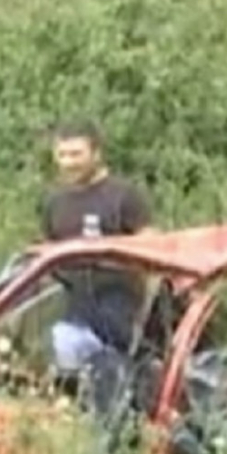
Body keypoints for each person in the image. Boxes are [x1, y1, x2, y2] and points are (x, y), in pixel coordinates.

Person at [33, 118, 155, 377]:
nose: (68, 162)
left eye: (76, 154)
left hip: (116, 311)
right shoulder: (54, 202)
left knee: (71, 345)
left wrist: (144, 317)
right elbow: (44, 259)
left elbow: (156, 254)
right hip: (69, 306)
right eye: (62, 155)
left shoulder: (123, 196)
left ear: (97, 153)